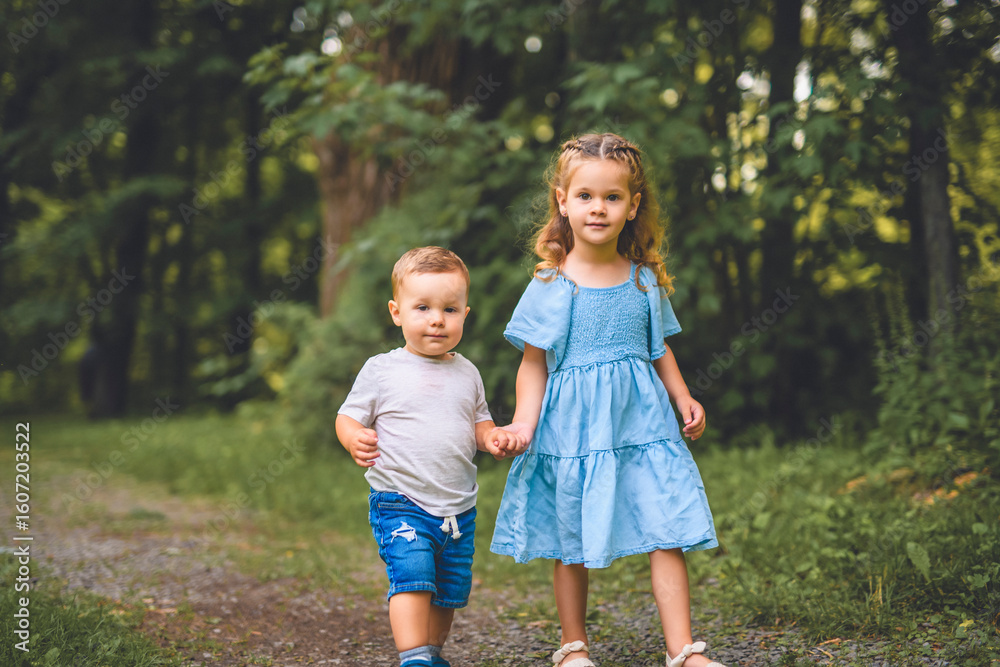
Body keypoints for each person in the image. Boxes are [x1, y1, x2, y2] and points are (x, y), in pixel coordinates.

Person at [488, 134, 725, 667]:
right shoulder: (552, 283)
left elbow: (657, 346)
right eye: (586, 196)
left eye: (613, 197)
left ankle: (683, 650)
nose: (598, 208)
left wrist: (683, 396)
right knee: (571, 532)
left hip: (641, 425)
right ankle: (573, 646)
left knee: (667, 525)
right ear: (562, 201)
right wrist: (524, 425)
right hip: (572, 426)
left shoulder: (644, 280)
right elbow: (533, 363)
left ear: (633, 206)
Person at [336, 246, 525, 667]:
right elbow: (346, 417)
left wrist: (494, 438)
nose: (437, 319)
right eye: (422, 307)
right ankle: (414, 657)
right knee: (414, 578)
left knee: (450, 590)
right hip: (400, 500)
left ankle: (432, 653)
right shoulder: (382, 369)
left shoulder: (467, 372)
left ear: (464, 314)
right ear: (396, 312)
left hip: (458, 508)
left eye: (449, 309)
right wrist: (353, 438)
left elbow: (478, 425)